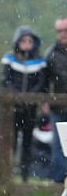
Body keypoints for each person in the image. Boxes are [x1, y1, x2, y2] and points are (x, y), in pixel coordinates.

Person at [0, 25, 47, 182]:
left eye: (29, 41)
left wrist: (30, 96)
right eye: (23, 40)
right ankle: (6, 175)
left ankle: (24, 176)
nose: (26, 44)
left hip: (30, 108)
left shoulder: (40, 61)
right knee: (9, 141)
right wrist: (16, 96)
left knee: (27, 142)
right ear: (17, 42)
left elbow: (42, 82)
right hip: (13, 108)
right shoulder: (9, 58)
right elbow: (6, 79)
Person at [42, 16, 67, 183]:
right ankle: (59, 180)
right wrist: (44, 100)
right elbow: (44, 80)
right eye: (60, 31)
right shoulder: (51, 54)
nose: (63, 34)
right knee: (58, 144)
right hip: (58, 106)